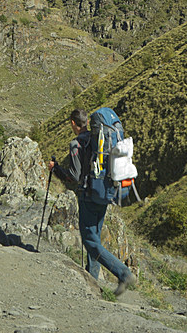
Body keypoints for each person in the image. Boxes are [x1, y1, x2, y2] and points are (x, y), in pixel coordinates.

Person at [49, 108, 136, 296]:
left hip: (88, 196)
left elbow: (74, 176)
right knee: (94, 239)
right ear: (87, 123)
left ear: (73, 123)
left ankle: (123, 272)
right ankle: (92, 283)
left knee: (90, 242)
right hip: (104, 192)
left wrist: (56, 169)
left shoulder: (76, 143)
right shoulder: (96, 139)